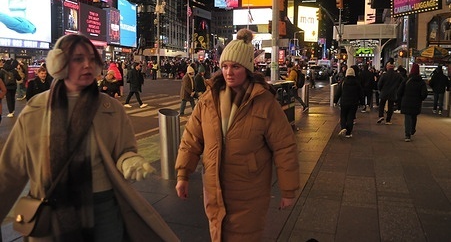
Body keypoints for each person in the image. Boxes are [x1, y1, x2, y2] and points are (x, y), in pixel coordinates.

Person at [0, 34, 179, 241]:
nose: (87, 65)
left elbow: (125, 150)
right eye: (78, 59)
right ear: (59, 64)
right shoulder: (36, 109)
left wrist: (130, 160)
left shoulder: (111, 107)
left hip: (103, 207)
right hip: (52, 209)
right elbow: (10, 172)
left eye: (91, 59)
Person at [175, 28, 300, 241]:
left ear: (247, 69)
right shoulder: (208, 99)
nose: (228, 72)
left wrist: (288, 190)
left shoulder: (264, 102)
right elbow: (191, 140)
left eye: (235, 66)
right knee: (218, 234)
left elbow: (284, 146)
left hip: (249, 190)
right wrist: (183, 174)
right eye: (224, 66)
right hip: (214, 187)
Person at [397, 63, 428, 142]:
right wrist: (420, 99)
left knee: (407, 118)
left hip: (406, 102)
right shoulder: (421, 82)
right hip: (416, 102)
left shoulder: (406, 80)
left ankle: (407, 135)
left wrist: (401, 98)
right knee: (414, 116)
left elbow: (399, 91)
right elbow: (424, 93)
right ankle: (412, 129)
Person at [334, 67, 363, 138]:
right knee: (350, 117)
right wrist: (362, 103)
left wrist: (335, 101)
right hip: (354, 103)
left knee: (343, 115)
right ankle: (348, 133)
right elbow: (361, 93)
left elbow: (338, 92)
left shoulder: (343, 82)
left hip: (344, 102)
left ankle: (343, 127)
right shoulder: (357, 82)